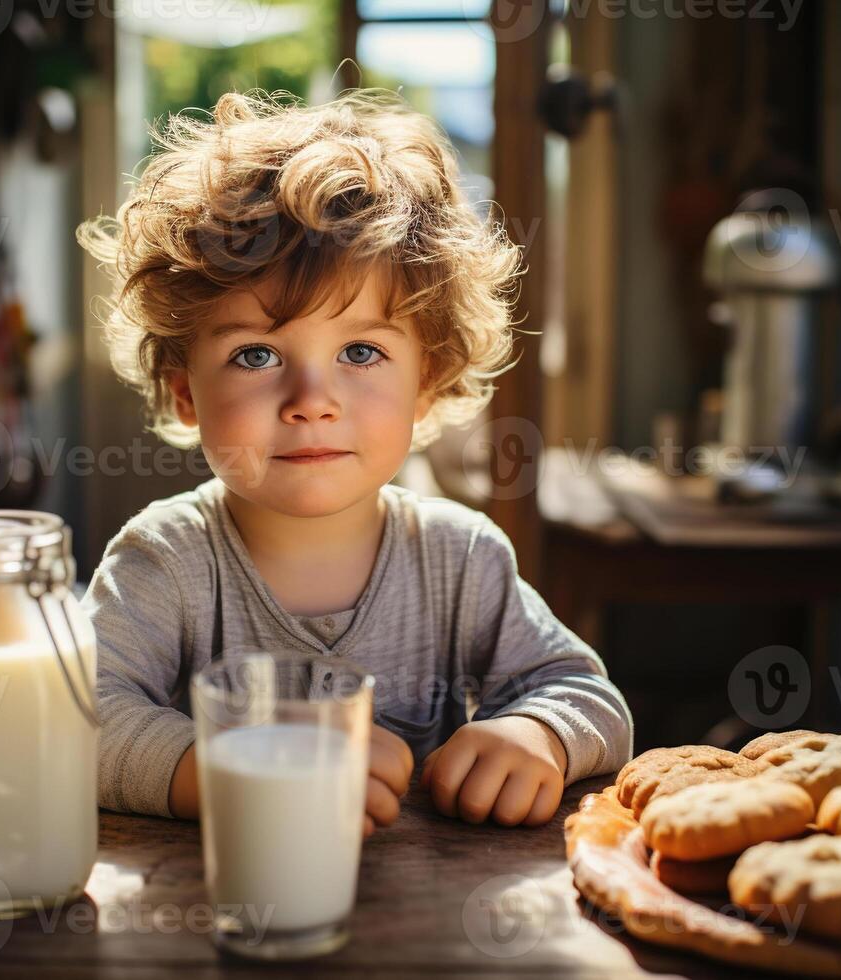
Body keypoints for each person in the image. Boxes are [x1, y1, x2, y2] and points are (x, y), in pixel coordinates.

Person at [76, 88, 632, 834]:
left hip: (429, 928)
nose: (312, 399)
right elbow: (77, 719)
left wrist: (536, 735)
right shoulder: (166, 560)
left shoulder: (459, 559)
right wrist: (225, 770)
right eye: (256, 354)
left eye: (361, 352)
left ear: (426, 384)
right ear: (185, 394)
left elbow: (586, 695)